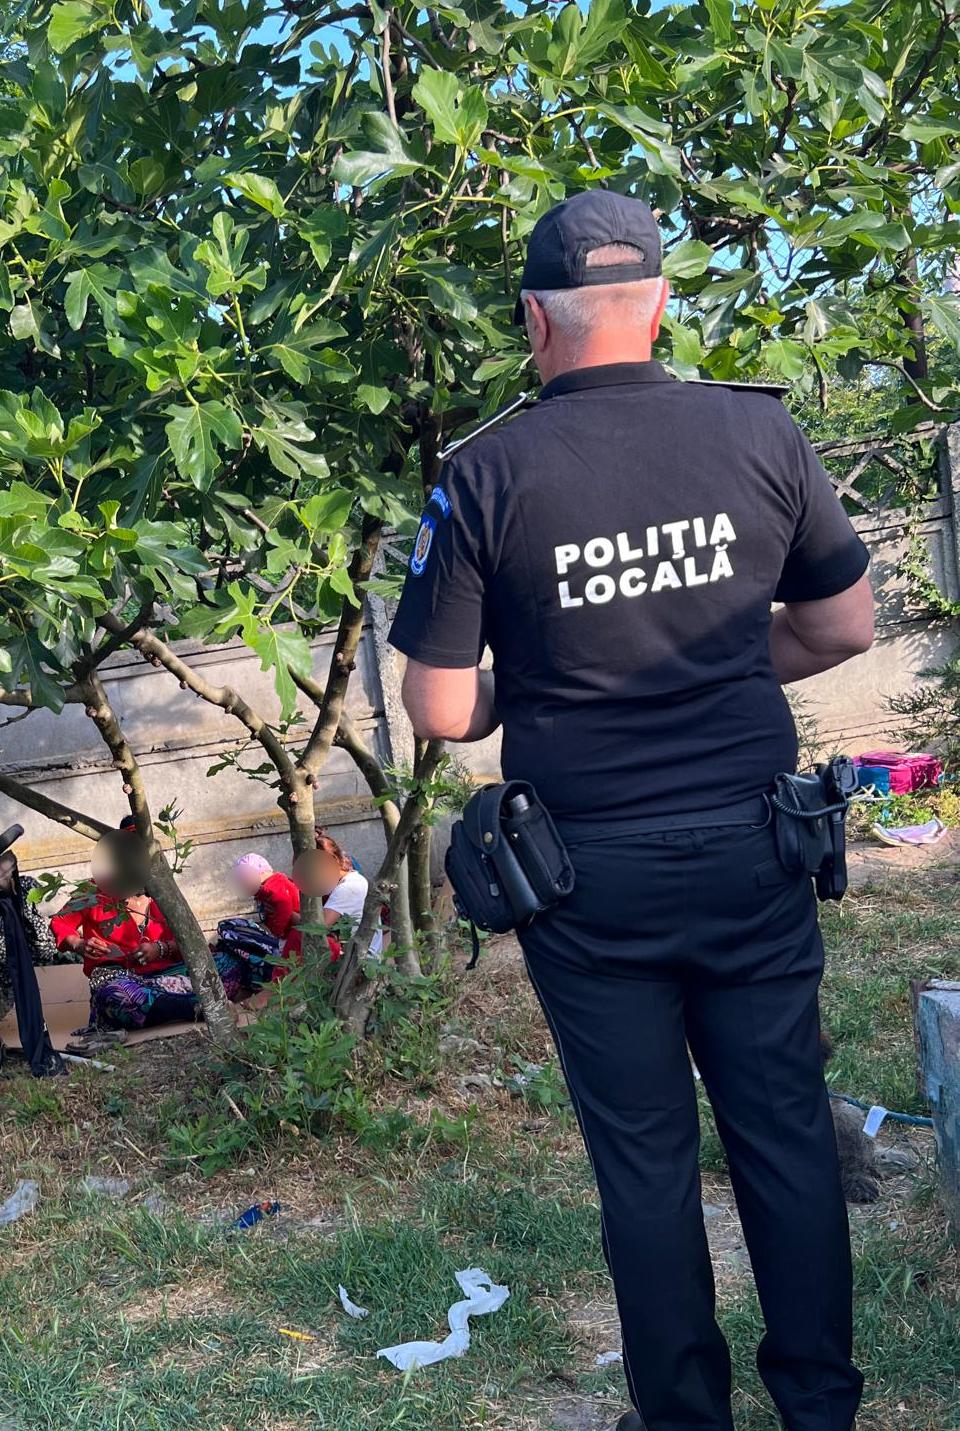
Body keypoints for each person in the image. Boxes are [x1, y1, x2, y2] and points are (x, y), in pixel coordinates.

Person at [387, 190, 874, 1431]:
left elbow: (440, 709)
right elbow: (842, 626)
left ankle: (684, 1417)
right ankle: (821, 1409)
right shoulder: (760, 432)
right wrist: (712, 662)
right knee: (784, 1135)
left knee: (647, 1166)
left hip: (588, 878)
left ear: (535, 322)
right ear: (657, 304)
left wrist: (556, 673)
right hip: (756, 846)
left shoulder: (485, 473)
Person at [52, 820, 246, 1032]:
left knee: (226, 963)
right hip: (123, 980)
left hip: (168, 976)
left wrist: (160, 949)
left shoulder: (164, 891)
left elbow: (190, 942)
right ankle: (198, 1006)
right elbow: (59, 922)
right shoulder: (93, 890)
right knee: (115, 996)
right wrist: (78, 943)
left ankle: (167, 1006)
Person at [282, 830, 381, 974]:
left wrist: (286, 911)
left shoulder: (349, 887)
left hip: (360, 965)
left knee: (298, 938)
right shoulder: (347, 882)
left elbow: (318, 928)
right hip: (352, 958)